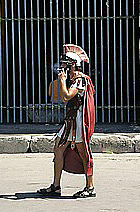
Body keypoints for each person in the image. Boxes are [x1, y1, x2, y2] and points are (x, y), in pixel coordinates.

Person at [37, 46, 96, 198]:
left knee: (83, 153)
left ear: (73, 65)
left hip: (78, 123)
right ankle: (56, 186)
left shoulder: (81, 80)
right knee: (58, 149)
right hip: (70, 121)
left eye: (65, 64)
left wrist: (62, 81)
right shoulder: (72, 79)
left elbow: (66, 96)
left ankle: (90, 187)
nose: (61, 67)